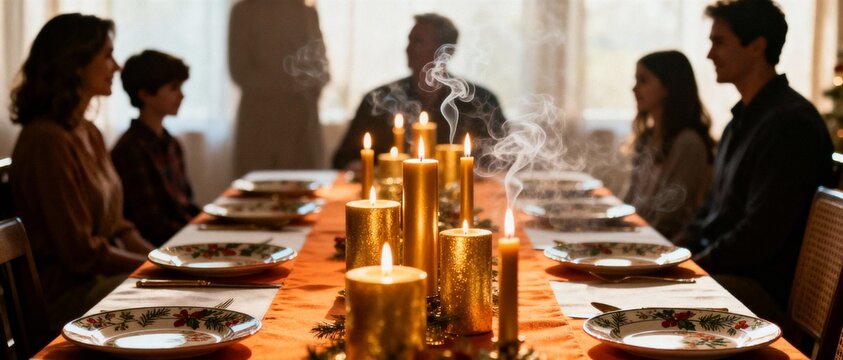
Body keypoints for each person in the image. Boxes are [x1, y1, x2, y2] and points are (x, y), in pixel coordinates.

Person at [674, 0, 833, 324]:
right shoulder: (740, 121)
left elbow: (760, 234)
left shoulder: (790, 124)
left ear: (757, 46)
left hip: (760, 289)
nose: (709, 54)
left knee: (653, 299)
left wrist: (696, 264)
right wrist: (676, 251)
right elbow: (711, 210)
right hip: (729, 271)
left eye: (719, 42)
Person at [8, 13, 154, 328]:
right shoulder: (46, 140)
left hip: (97, 280)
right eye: (107, 55)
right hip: (64, 296)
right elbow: (81, 254)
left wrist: (160, 258)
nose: (117, 66)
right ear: (75, 64)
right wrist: (153, 268)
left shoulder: (88, 131)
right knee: (176, 298)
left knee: (186, 289)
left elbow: (119, 228)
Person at [331, 13, 506, 170]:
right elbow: (343, 158)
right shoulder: (378, 99)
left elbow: (505, 157)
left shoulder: (480, 100)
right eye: (409, 40)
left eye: (418, 42)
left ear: (444, 52)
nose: (407, 48)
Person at [229, 0, 329, 175]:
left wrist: (315, 83)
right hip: (261, 124)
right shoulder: (244, 12)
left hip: (302, 124)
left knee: (305, 191)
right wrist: (288, 86)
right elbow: (240, 71)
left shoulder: (307, 13)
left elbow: (321, 62)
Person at [111, 50, 200, 246]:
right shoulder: (131, 149)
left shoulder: (172, 144)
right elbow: (150, 224)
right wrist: (199, 236)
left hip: (183, 239)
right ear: (145, 94)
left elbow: (186, 204)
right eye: (173, 88)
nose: (181, 95)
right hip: (164, 248)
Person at [624, 51, 715, 239]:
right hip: (637, 236)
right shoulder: (646, 138)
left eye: (643, 80)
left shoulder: (688, 143)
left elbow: (670, 215)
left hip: (665, 244)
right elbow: (630, 199)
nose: (634, 89)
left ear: (668, 87)